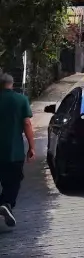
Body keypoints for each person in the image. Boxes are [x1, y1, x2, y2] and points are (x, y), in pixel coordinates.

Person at [0, 72, 35, 228]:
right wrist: (32, 147)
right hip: (13, 151)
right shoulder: (21, 100)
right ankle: (6, 204)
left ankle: (4, 204)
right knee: (13, 182)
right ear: (12, 84)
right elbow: (27, 124)